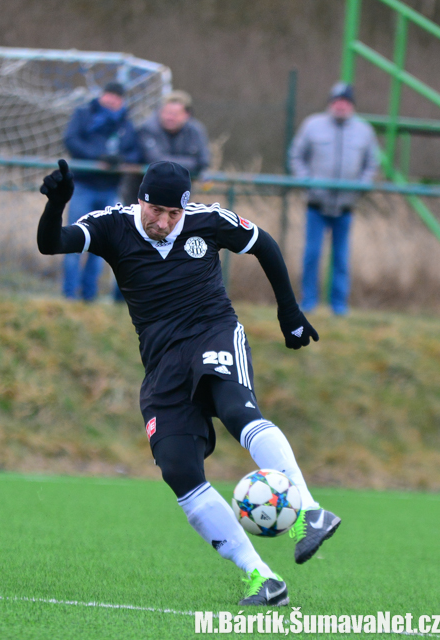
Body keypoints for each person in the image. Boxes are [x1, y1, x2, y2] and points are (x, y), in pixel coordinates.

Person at [37, 159, 341, 606]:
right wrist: (56, 205)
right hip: (162, 362)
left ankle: (309, 513)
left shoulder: (208, 221)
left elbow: (264, 244)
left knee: (237, 412)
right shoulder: (111, 226)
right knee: (179, 470)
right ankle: (261, 577)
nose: (163, 222)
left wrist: (289, 311)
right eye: (155, 210)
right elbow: (51, 244)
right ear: (140, 200)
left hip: (212, 332)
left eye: (173, 214)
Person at [289, 82, 379, 316]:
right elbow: (296, 156)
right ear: (330, 103)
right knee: (312, 255)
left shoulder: (364, 130)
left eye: (345, 102)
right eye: (337, 101)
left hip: (346, 207)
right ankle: (308, 302)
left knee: (341, 258)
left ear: (352, 105)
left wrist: (361, 186)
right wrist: (306, 181)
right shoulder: (312, 125)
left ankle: (339, 306)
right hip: (316, 205)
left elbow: (372, 163)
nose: (341, 106)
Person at [62, 82, 139, 301]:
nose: (112, 100)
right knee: (73, 241)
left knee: (101, 246)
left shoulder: (126, 124)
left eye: (117, 96)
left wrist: (119, 160)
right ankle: (69, 294)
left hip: (110, 190)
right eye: (109, 95)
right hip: (82, 186)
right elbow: (71, 140)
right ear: (102, 95)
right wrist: (98, 157)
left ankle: (89, 296)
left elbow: (135, 151)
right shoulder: (84, 114)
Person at [137, 91, 211, 178]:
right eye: (167, 113)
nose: (170, 118)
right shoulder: (148, 128)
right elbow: (155, 161)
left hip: (185, 182)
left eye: (175, 114)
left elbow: (203, 161)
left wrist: (168, 162)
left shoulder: (195, 130)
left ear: (187, 115)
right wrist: (191, 163)